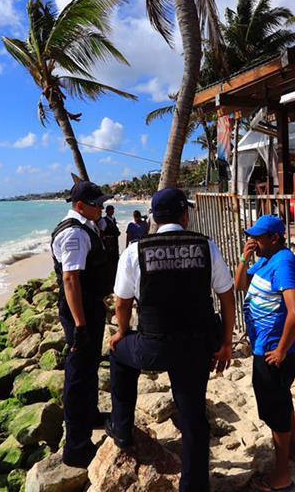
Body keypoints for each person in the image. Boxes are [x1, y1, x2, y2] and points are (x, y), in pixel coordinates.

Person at [108, 187, 235, 492]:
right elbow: (227, 297)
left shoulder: (135, 251)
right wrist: (226, 342)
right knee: (193, 418)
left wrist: (123, 331)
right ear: (185, 215)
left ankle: (122, 428)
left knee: (117, 354)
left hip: (153, 347)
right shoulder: (206, 247)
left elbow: (122, 301)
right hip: (196, 346)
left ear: (153, 217)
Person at [235, 215, 295, 492]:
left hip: (272, 351)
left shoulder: (284, 262)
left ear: (274, 238)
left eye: (258, 237)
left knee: (275, 412)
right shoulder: (265, 260)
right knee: (282, 401)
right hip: (264, 347)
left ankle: (282, 477)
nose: (253, 241)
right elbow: (240, 285)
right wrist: (244, 257)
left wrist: (280, 350)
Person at [50, 180, 114, 467]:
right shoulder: (75, 233)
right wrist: (80, 326)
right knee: (77, 373)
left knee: (88, 369)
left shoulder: (84, 226)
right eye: (96, 204)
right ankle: (76, 446)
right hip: (81, 310)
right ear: (79, 206)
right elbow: (70, 279)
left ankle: (90, 415)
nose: (101, 207)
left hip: (86, 307)